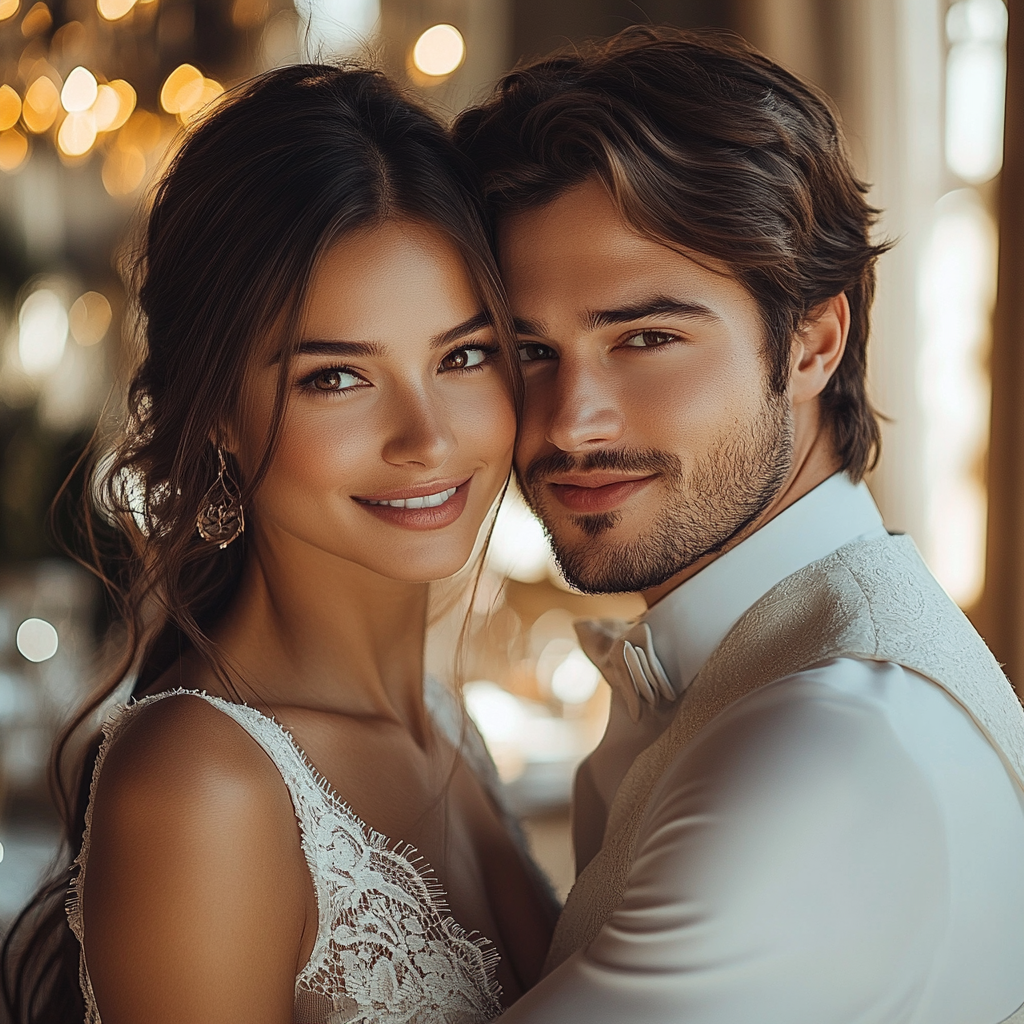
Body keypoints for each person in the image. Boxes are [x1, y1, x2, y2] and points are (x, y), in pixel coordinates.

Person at [454, 26, 1024, 1024]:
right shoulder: (744, 677)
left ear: (812, 341)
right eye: (527, 349)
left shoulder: (834, 746)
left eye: (644, 337)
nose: (568, 421)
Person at [1, 64, 557, 1024]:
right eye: (336, 378)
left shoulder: (449, 731)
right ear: (218, 409)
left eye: (463, 355)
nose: (427, 438)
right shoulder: (201, 786)